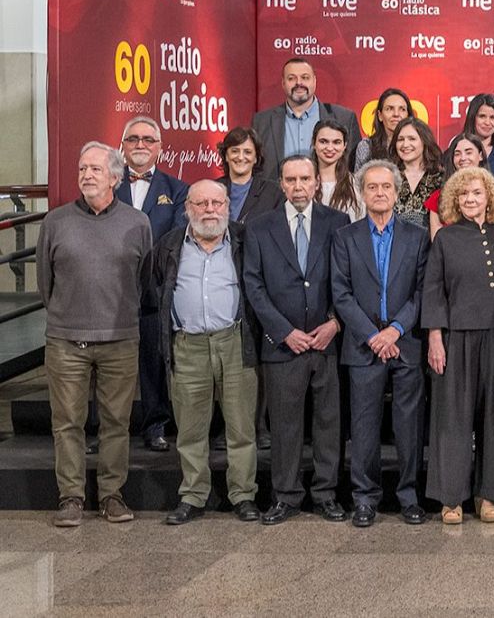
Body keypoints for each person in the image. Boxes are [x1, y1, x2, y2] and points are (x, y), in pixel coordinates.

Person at [40, 142, 152, 527]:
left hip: (120, 340)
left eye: (95, 169)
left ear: (115, 178)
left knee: (115, 423)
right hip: (66, 340)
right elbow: (45, 282)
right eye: (82, 168)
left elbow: (144, 280)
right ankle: (70, 498)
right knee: (67, 422)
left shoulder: (138, 223)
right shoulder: (55, 222)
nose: (87, 175)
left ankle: (111, 496)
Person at [243, 155, 351, 526]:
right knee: (285, 426)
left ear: (316, 182)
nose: (299, 186)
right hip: (282, 345)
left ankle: (325, 494)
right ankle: (285, 496)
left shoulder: (338, 223)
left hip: (327, 342)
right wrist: (284, 331)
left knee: (328, 423)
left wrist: (335, 323)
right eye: (291, 180)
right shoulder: (259, 227)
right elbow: (253, 286)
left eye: (306, 178)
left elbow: (346, 278)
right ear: (282, 184)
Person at [153, 180, 259, 525]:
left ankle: (243, 495)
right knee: (190, 428)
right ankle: (193, 495)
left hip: (234, 341)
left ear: (228, 206)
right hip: (188, 344)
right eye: (201, 204)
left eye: (217, 202)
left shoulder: (245, 240)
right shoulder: (169, 245)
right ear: (188, 209)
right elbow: (156, 289)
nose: (210, 210)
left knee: (241, 427)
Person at [331, 160, 431, 528]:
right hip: (363, 344)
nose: (379, 192)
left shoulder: (418, 236)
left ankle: (409, 497)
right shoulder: (345, 237)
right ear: (361, 192)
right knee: (364, 426)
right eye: (371, 187)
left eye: (386, 187)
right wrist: (373, 335)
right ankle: (365, 499)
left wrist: (396, 330)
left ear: (397, 191)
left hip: (405, 343)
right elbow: (340, 294)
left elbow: (423, 291)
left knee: (409, 426)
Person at [421, 166, 494, 525]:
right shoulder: (445, 239)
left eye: (477, 193)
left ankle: (489, 495)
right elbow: (432, 290)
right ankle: (452, 498)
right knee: (453, 418)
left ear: (489, 197)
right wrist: (435, 336)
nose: (470, 200)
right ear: (454, 200)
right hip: (456, 338)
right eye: (463, 195)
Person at [116, 116, 188, 452]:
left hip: (155, 290)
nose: (140, 145)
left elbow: (173, 239)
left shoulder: (177, 190)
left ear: (160, 147)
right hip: (110, 291)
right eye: (133, 139)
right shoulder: (108, 186)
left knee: (155, 360)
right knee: (109, 365)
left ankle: (155, 425)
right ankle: (108, 428)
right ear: (123, 146)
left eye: (148, 139)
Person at [251, 57, 359, 180]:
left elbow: (353, 166)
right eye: (291, 78)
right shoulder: (262, 121)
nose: (299, 83)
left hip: (330, 197)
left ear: (314, 81)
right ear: (283, 83)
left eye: (305, 77)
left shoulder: (344, 118)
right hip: (277, 197)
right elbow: (255, 167)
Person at [427, 133, 494, 238]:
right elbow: (437, 242)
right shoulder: (438, 199)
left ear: (480, 156)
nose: (463, 158)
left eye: (469, 152)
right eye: (457, 154)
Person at [218, 127, 284, 223]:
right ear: (226, 156)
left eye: (247, 152)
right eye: (235, 151)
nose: (240, 157)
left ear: (256, 158)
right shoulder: (212, 189)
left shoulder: (273, 193)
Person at [389, 117, 444, 229]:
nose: (405, 144)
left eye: (412, 139)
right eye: (400, 139)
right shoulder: (388, 177)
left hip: (431, 243)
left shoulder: (440, 177)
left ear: (424, 141)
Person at [312, 119, 363, 222]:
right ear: (314, 143)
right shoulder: (303, 184)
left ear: (344, 146)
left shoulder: (356, 185)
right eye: (323, 141)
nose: (330, 148)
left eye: (336, 142)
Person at [354, 87, 414, 167]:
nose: (396, 114)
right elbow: (359, 179)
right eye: (389, 109)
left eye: (402, 109)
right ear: (380, 115)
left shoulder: (418, 146)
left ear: (408, 116)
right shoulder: (367, 147)